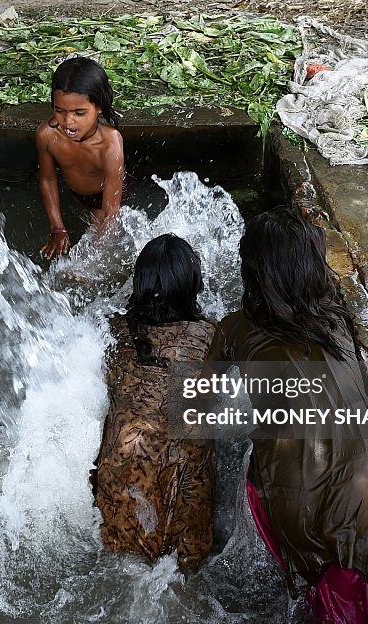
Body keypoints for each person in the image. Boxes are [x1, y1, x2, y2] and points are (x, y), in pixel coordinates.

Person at [205, 207, 368, 623]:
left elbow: (202, 400)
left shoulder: (235, 328)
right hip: (367, 487)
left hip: (297, 498)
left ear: (253, 275)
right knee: (357, 597)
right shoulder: (337, 320)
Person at [93, 234, 216, 573]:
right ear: (192, 286)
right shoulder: (210, 337)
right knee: (181, 572)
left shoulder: (109, 333)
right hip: (183, 484)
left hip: (120, 480)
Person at [36, 57, 127, 259]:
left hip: (104, 195)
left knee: (96, 238)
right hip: (75, 192)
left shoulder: (109, 144)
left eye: (79, 113)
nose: (68, 122)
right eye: (60, 111)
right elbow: (48, 179)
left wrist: (93, 260)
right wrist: (57, 228)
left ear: (99, 107)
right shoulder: (47, 135)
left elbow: (111, 210)